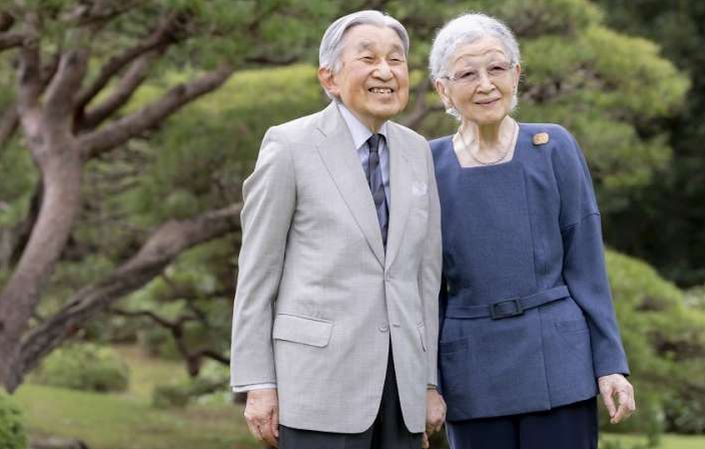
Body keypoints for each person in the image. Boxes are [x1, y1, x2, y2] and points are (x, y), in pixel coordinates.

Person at [229, 10, 446, 449]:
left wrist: (427, 382)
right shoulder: (289, 146)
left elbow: (425, 277)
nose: (385, 71)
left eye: (396, 60)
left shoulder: (417, 151)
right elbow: (257, 273)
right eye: (368, 58)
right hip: (316, 385)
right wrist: (257, 382)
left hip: (400, 390)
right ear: (329, 78)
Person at [427, 13, 636, 449]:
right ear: (443, 89)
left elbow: (587, 268)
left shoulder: (553, 147)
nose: (486, 84)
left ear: (517, 74)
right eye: (467, 73)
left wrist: (610, 364)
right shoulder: (427, 164)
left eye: (497, 68)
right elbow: (424, 289)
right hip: (471, 366)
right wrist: (428, 382)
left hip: (559, 360)